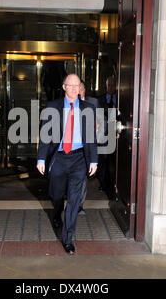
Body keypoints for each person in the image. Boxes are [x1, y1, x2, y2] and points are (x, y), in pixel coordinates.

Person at [37, 74, 98, 254]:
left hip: (79, 158)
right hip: (59, 158)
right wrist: (41, 159)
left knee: (74, 199)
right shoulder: (52, 107)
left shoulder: (89, 108)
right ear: (64, 87)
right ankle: (56, 212)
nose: (74, 89)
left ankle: (67, 238)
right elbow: (45, 135)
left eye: (77, 85)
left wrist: (93, 159)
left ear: (80, 87)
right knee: (56, 194)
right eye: (70, 85)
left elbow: (91, 137)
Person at [77, 80, 100, 215]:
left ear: (85, 90)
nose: (78, 91)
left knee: (83, 177)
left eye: (81, 88)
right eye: (76, 88)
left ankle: (79, 205)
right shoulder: (66, 104)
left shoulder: (93, 103)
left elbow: (102, 121)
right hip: (71, 147)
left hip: (87, 145)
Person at [96, 76, 117, 195]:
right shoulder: (100, 100)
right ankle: (103, 184)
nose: (111, 88)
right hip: (103, 135)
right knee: (103, 161)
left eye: (113, 85)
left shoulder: (120, 99)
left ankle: (113, 184)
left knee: (113, 160)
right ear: (106, 86)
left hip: (115, 135)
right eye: (109, 85)